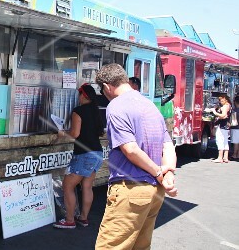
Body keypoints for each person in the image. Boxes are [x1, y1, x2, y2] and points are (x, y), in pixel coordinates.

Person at [94, 64, 177, 249]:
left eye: (102, 89)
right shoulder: (149, 105)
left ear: (107, 87)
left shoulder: (116, 106)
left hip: (131, 189)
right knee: (140, 246)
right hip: (155, 192)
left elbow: (130, 149)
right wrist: (168, 173)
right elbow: (168, 145)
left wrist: (158, 172)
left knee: (110, 246)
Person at [53, 83, 104, 229]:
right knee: (87, 187)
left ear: (84, 95)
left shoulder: (78, 111)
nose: (78, 97)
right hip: (97, 154)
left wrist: (63, 133)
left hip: (84, 155)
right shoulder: (96, 111)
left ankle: (69, 220)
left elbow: (75, 134)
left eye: (79, 94)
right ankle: (83, 218)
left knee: (67, 186)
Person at [206, 93, 232, 163]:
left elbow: (223, 115)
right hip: (226, 125)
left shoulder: (225, 107)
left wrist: (215, 112)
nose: (220, 101)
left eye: (221, 100)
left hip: (222, 125)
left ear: (225, 99)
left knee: (220, 140)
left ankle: (220, 157)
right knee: (225, 141)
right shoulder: (229, 105)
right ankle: (225, 157)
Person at [231, 95, 239, 159]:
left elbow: (234, 121)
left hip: (236, 128)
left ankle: (234, 154)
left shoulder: (234, 110)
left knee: (236, 142)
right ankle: (238, 154)